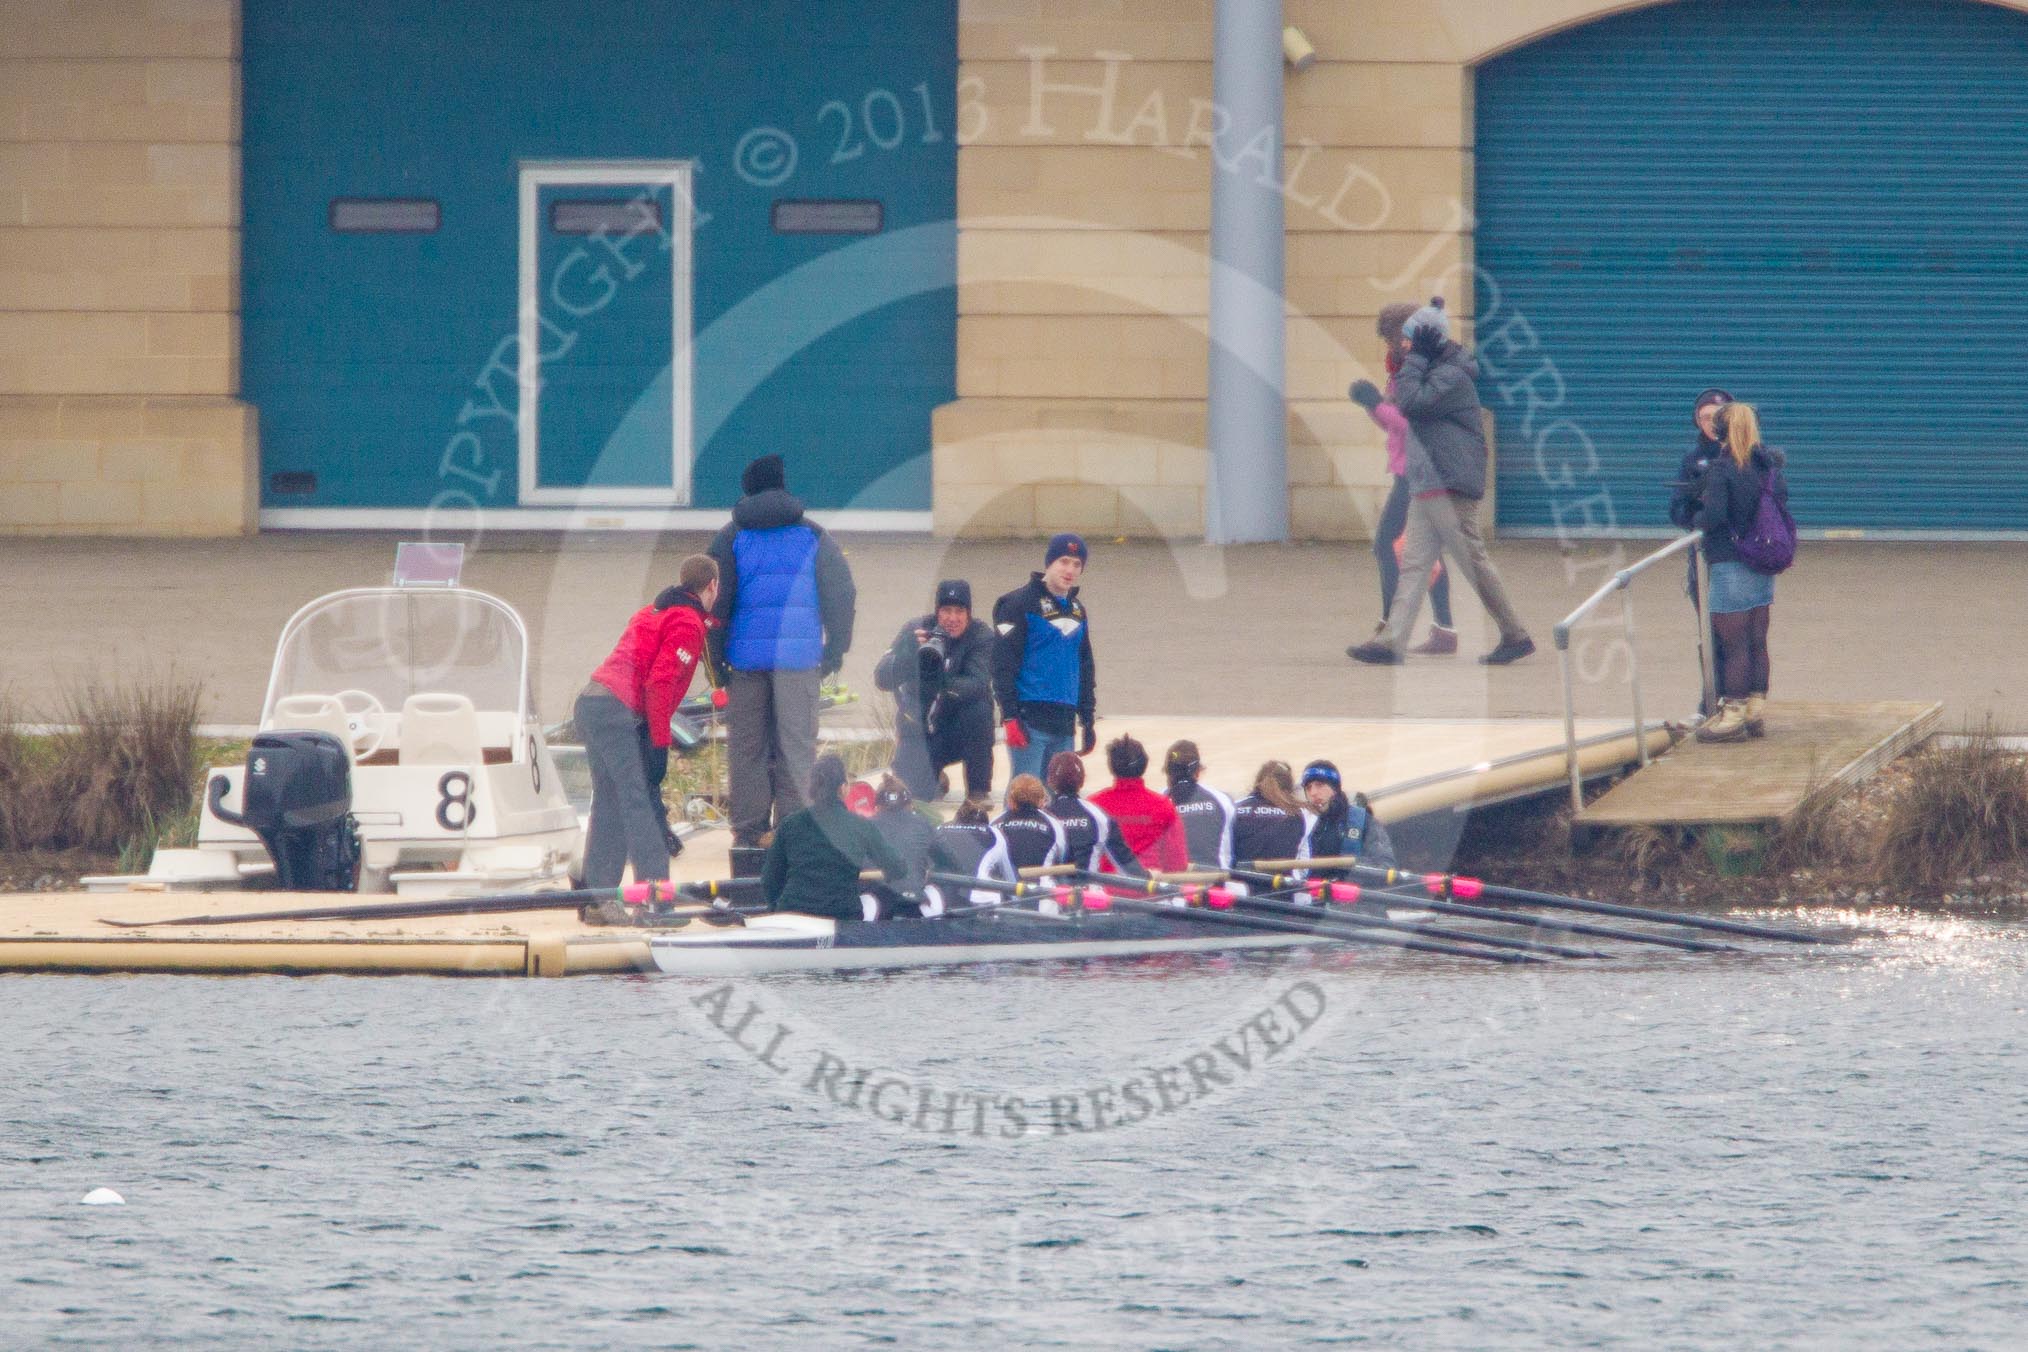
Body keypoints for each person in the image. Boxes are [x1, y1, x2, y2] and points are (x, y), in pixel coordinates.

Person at [1348, 297, 1535, 667]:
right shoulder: (1433, 370)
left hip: (1451, 482)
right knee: (1415, 563)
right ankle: (1390, 643)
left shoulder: (1451, 376)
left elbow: (1411, 403)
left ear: (1424, 342)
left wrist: (1414, 360)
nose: (1402, 347)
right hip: (1427, 481)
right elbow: (1402, 406)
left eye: (1407, 340)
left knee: (1474, 562)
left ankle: (1515, 635)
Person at [708, 454, 857, 848]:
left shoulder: (730, 537)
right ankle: (792, 832)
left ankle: (748, 833)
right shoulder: (814, 534)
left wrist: (715, 664)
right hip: (799, 659)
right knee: (796, 747)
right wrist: (835, 651)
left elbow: (714, 605)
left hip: (744, 662)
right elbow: (841, 594)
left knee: (747, 750)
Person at [575, 555, 718, 889]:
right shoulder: (687, 623)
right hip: (617, 711)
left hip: (592, 703)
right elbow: (659, 682)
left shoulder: (653, 610)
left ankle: (599, 897)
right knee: (640, 802)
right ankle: (654, 895)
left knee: (610, 804)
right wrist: (659, 741)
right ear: (712, 585)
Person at [1352, 300, 1455, 655]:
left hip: (1419, 472)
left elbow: (1412, 425)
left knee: (1386, 546)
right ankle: (1445, 630)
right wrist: (1371, 404)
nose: (1389, 346)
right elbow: (1391, 424)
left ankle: (1388, 629)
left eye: (1392, 338)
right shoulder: (1398, 371)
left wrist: (1377, 405)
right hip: (1410, 470)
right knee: (1428, 554)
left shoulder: (1421, 371)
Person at [1694, 402, 1787, 743]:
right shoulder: (1767, 464)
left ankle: (1732, 714)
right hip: (1762, 561)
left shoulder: (1723, 468)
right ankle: (1755, 709)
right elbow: (1782, 498)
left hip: (1731, 561)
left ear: (1720, 430)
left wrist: (1698, 518)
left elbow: (1714, 516)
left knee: (1732, 644)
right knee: (1757, 638)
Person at [874, 579, 995, 802]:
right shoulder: (916, 629)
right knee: (914, 796)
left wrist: (937, 682)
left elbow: (978, 683)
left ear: (968, 614)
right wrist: (907, 655)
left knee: (980, 709)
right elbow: (881, 678)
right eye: (946, 610)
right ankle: (935, 779)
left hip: (960, 729)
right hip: (920, 728)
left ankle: (978, 789)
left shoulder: (980, 635)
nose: (952, 618)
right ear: (937, 612)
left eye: (959, 611)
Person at [992, 533, 1097, 781]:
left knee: (1059, 798)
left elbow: (1085, 666)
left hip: (1064, 724)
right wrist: (1009, 715)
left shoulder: (1077, 610)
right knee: (1026, 795)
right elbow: (1001, 664)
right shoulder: (1017, 604)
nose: (1069, 569)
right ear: (1048, 563)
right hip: (1029, 720)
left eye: (1077, 564)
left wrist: (1088, 719)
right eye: (1063, 561)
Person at [759, 754, 908, 923]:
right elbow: (898, 869)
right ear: (843, 788)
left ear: (812, 788)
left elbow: (770, 880)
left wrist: (777, 911)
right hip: (842, 915)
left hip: (793, 914)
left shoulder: (790, 824)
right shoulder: (861, 825)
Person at [1090, 735, 1187, 873]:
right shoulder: (1163, 806)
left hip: (1104, 890)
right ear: (1144, 764)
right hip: (1151, 891)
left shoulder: (1094, 806)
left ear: (1111, 766)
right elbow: (1177, 864)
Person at [1044, 751, 1145, 877]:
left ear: (1050, 780)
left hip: (1049, 894)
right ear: (1082, 780)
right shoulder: (1100, 816)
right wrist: (1150, 879)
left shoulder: (1043, 816)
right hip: (1089, 893)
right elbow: (1128, 867)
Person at [1298, 760, 1394, 873]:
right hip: (1310, 889)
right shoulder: (1302, 824)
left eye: (1320, 785)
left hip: (1352, 888)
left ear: (1335, 788)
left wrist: (1349, 869)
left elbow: (1386, 866)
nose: (1313, 792)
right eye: (1308, 788)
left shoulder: (1362, 821)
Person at [869, 772, 939, 915]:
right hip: (913, 905)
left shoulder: (863, 827)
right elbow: (951, 862)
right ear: (911, 806)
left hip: (876, 907)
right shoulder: (924, 824)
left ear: (876, 808)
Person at [928, 797, 1014, 908]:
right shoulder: (995, 833)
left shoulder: (940, 828)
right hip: (981, 899)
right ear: (985, 823)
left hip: (941, 898)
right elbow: (1008, 874)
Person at [1163, 739, 1234, 868]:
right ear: (1197, 771)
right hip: (1214, 883)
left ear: (1168, 772)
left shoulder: (1159, 801)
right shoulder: (1222, 800)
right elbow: (1229, 853)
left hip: (1172, 885)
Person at [1230, 760, 1312, 867]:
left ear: (1257, 781)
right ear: (1289, 786)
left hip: (1241, 880)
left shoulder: (1234, 808)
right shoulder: (1298, 813)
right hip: (1281, 881)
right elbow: (1304, 860)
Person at [994, 774, 1067, 873]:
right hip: (1041, 886)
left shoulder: (995, 823)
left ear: (1010, 800)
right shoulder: (1053, 824)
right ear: (1041, 801)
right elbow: (1061, 857)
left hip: (1004, 887)